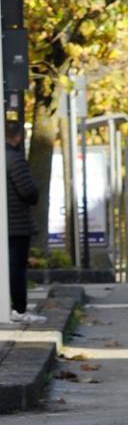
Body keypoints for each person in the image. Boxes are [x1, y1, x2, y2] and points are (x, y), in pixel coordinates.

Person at [6, 120, 39, 323]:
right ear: (18, 137)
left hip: (6, 224)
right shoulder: (15, 160)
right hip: (16, 224)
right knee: (17, 268)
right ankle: (18, 309)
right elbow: (28, 191)